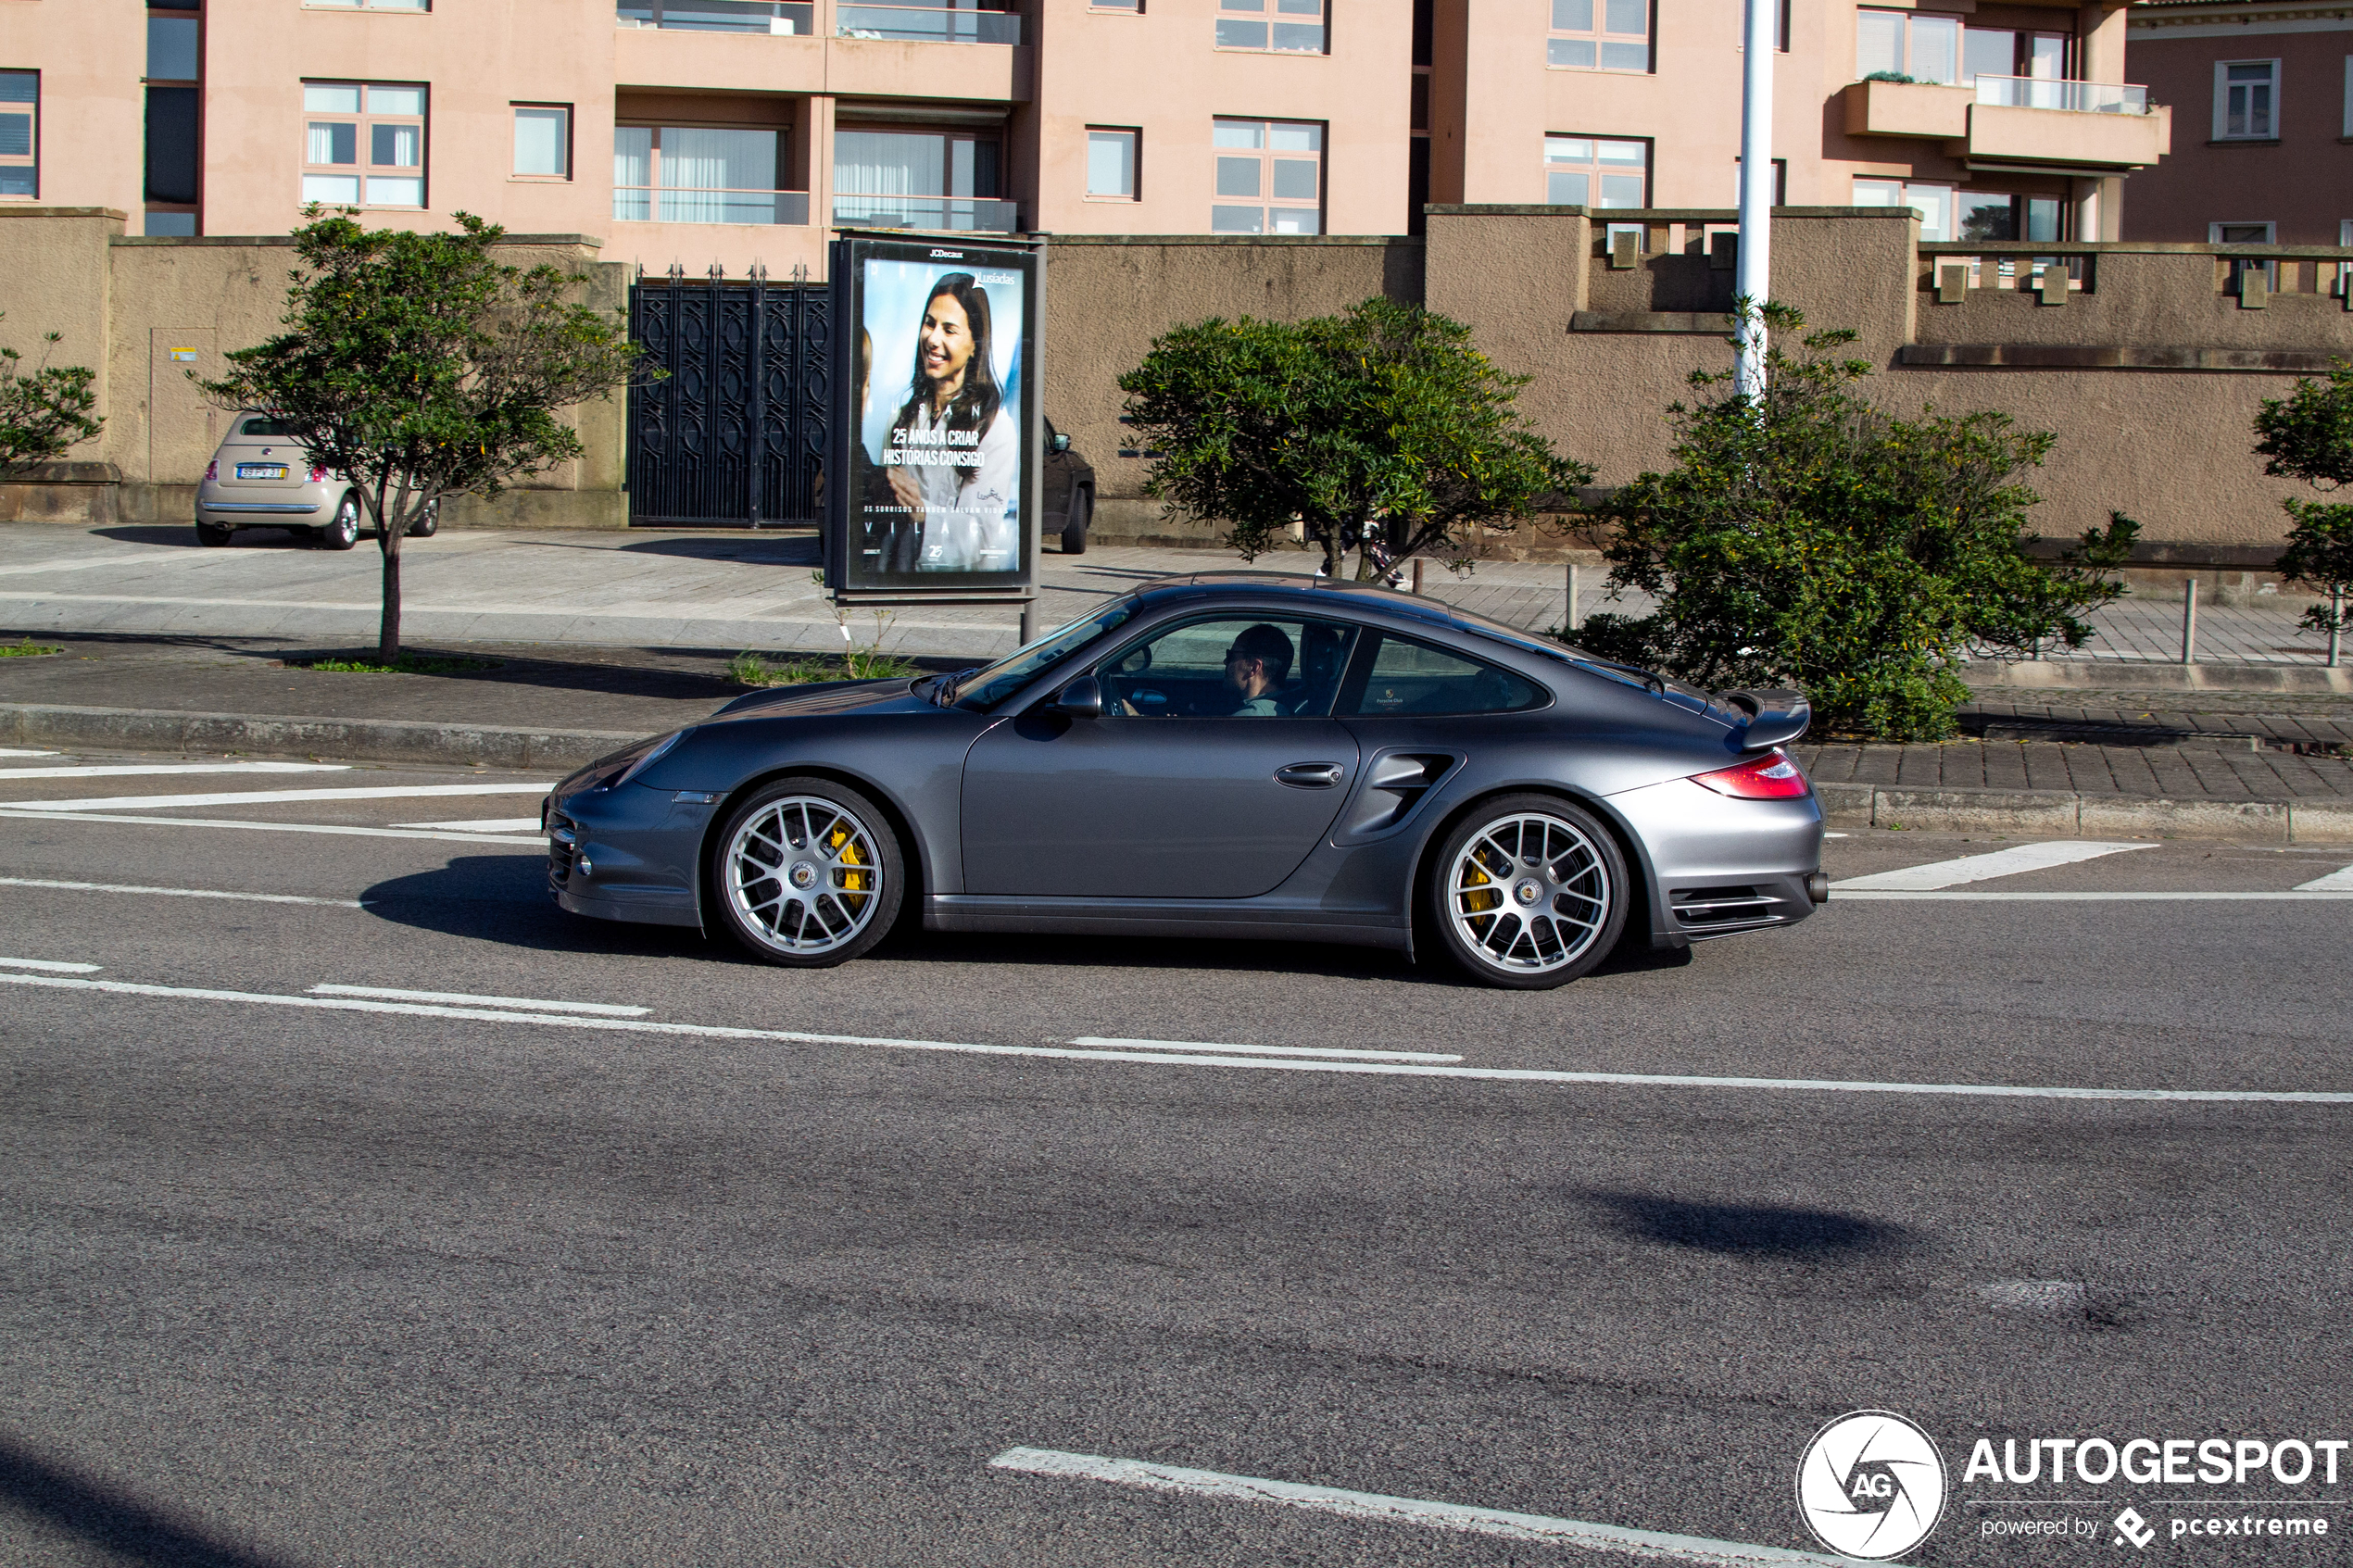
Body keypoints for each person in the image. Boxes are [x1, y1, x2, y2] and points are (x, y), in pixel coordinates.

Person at [881, 272, 1018, 572]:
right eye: (929, 323)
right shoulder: (900, 419)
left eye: (949, 330)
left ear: (975, 345)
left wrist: (923, 514)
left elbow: (982, 534)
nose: (933, 339)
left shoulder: (995, 427)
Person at [1225, 623, 1294, 716]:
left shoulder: (1249, 717)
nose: (1225, 661)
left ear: (1254, 667)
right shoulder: (1281, 706)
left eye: (1231, 656)